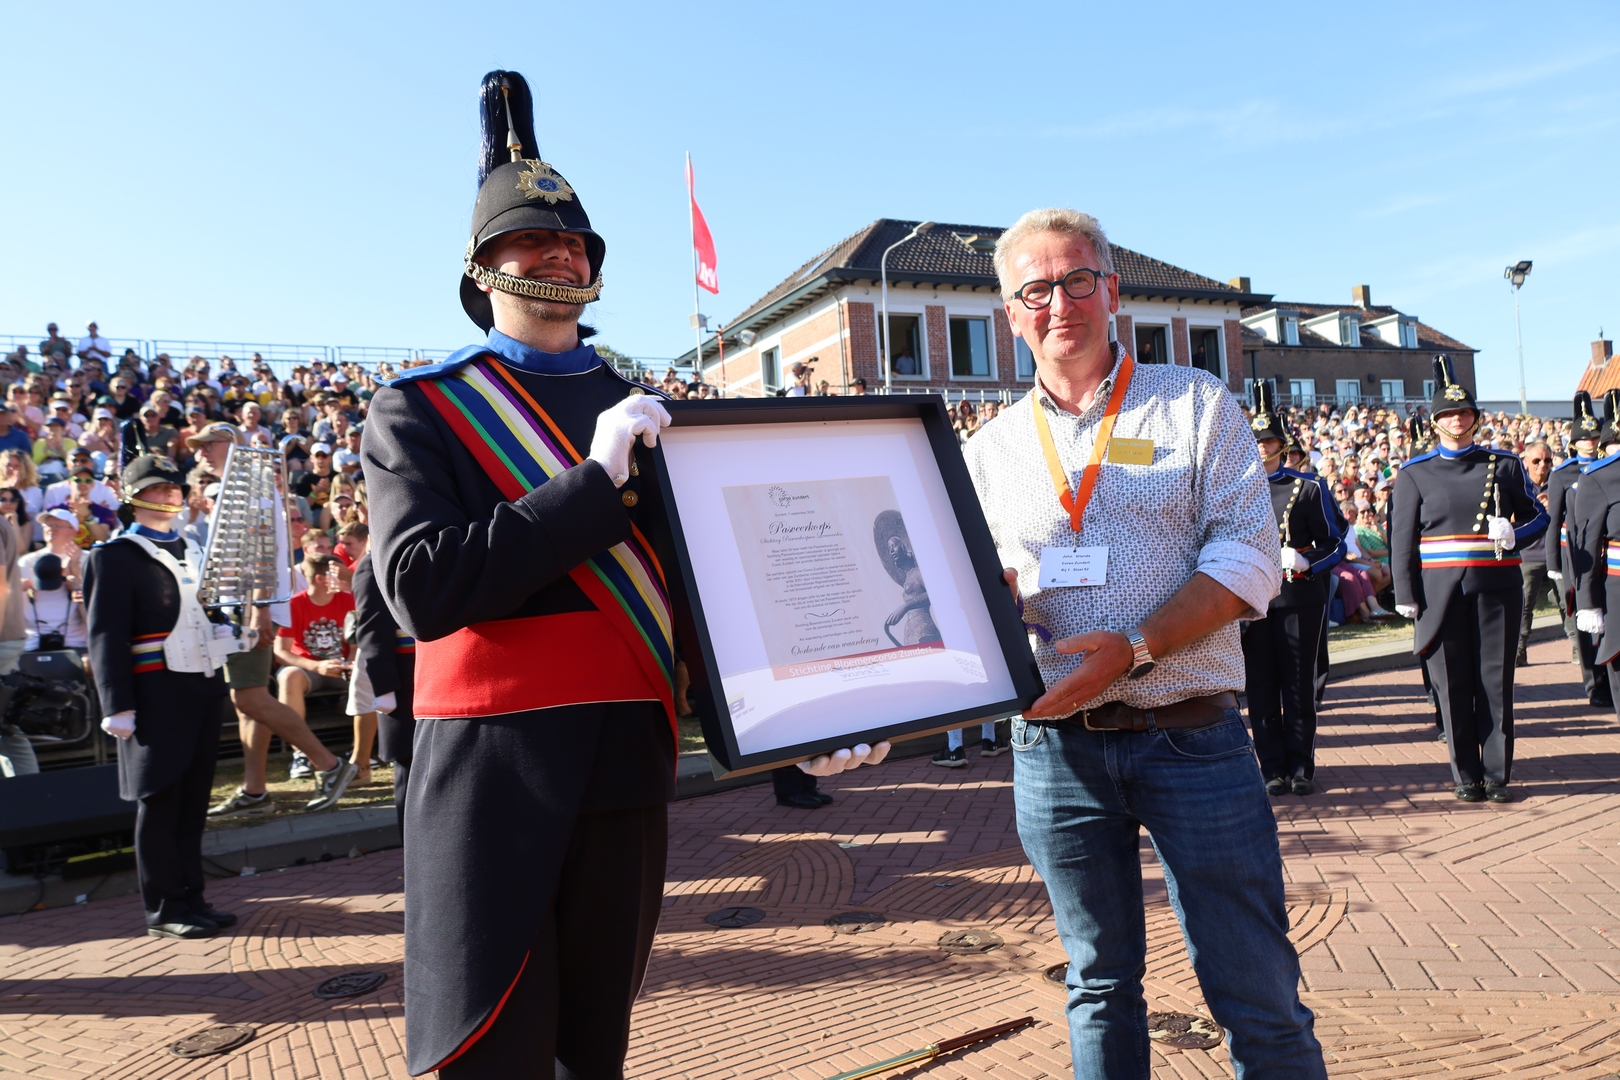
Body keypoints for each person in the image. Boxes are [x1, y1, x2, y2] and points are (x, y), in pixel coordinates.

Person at [361, 70, 889, 1080]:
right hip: (491, 769)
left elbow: (713, 598)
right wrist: (593, 484)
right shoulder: (419, 409)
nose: (560, 251)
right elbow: (423, 589)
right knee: (491, 1049)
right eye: (531, 239)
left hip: (626, 757)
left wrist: (807, 722)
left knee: (592, 1046)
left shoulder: (655, 411)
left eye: (576, 242)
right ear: (480, 269)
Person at [963, 207, 1323, 1078]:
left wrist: (1133, 646)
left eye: (1077, 279)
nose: (1059, 303)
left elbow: (1248, 559)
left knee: (1256, 989)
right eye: (1036, 290)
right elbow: (968, 590)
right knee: (1096, 984)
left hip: (1191, 734)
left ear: (1112, 290)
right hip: (1055, 750)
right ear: (1011, 313)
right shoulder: (987, 449)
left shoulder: (1195, 403)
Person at [84, 456, 240, 939]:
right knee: (160, 800)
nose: (170, 494)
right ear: (132, 496)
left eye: (175, 487)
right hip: (153, 692)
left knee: (193, 801)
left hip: (201, 683)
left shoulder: (193, 546)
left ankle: (192, 896)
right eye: (157, 487)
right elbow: (105, 635)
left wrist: (227, 630)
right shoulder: (113, 556)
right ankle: (165, 906)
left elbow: (206, 610)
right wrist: (117, 704)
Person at [1391, 357, 1547, 803]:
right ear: (1435, 421)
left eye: (1463, 412)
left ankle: (1496, 774)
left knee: (1495, 682)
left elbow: (1539, 516)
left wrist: (1514, 533)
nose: (1456, 420)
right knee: (1452, 685)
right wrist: (1405, 591)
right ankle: (1465, 776)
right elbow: (1402, 538)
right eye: (1447, 413)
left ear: (1475, 417)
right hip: (1438, 592)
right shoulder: (1414, 473)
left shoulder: (1504, 464)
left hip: (1496, 587)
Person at [1243, 386, 1343, 796]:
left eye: (1269, 441)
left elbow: (1336, 542)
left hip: (1299, 597)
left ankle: (1302, 766)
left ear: (1282, 445)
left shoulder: (1309, 487)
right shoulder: (1235, 489)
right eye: (1257, 440)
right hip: (1252, 600)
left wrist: (1307, 561)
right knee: (1261, 688)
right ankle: (1272, 767)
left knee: (1299, 686)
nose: (1263, 447)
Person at [1545, 392, 1607, 706]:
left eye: (1595, 437)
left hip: (1607, 554)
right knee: (1583, 618)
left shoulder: (1609, 468)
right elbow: (1554, 521)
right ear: (1574, 441)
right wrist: (1553, 564)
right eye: (1585, 438)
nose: (1591, 443)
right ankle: (1594, 685)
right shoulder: (1563, 474)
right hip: (1576, 556)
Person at [351, 548, 414, 830]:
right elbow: (372, 629)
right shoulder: (373, 561)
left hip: (434, 676)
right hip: (404, 683)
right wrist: (385, 689)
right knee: (409, 774)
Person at [1516, 440, 1555, 666]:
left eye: (1547, 460)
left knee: (1568, 603)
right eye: (1537, 460)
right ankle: (1519, 651)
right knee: (1524, 607)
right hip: (1528, 554)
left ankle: (1579, 650)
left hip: (1556, 554)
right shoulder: (1519, 486)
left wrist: (1555, 502)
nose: (1543, 465)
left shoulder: (1558, 483)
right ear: (1526, 462)